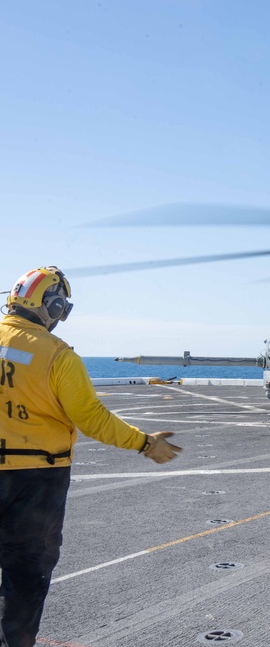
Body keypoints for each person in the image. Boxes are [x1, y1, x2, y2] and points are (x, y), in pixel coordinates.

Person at [0, 266, 182, 647]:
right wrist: (146, 444)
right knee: (27, 574)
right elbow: (92, 419)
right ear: (52, 305)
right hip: (35, 480)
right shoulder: (57, 356)